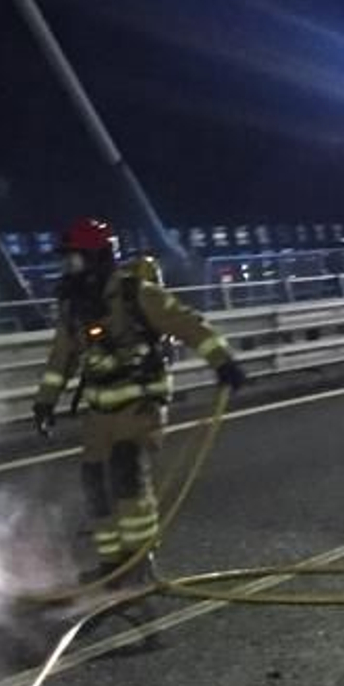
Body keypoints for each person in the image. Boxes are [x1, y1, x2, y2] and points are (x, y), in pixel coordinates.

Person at [31, 217, 246, 584]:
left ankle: (140, 564)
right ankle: (113, 564)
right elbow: (61, 357)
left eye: (75, 258)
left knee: (127, 476)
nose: (69, 266)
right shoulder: (75, 306)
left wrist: (223, 362)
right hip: (99, 412)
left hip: (139, 406)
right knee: (96, 482)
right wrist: (45, 401)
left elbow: (189, 324)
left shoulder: (137, 294)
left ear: (96, 256)